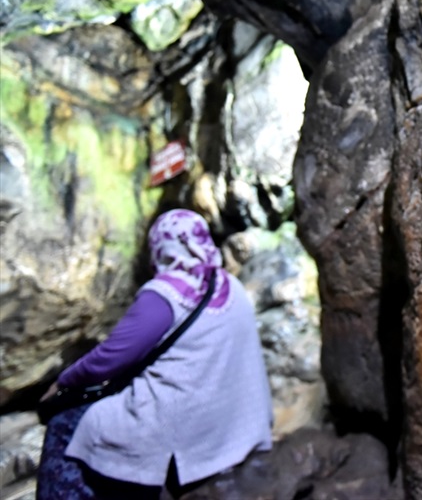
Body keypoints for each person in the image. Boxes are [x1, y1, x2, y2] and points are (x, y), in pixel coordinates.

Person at [36, 209, 273, 499]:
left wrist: (64, 381)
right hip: (235, 424)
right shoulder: (229, 285)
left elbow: (107, 360)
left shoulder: (165, 295)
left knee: (66, 426)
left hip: (183, 428)